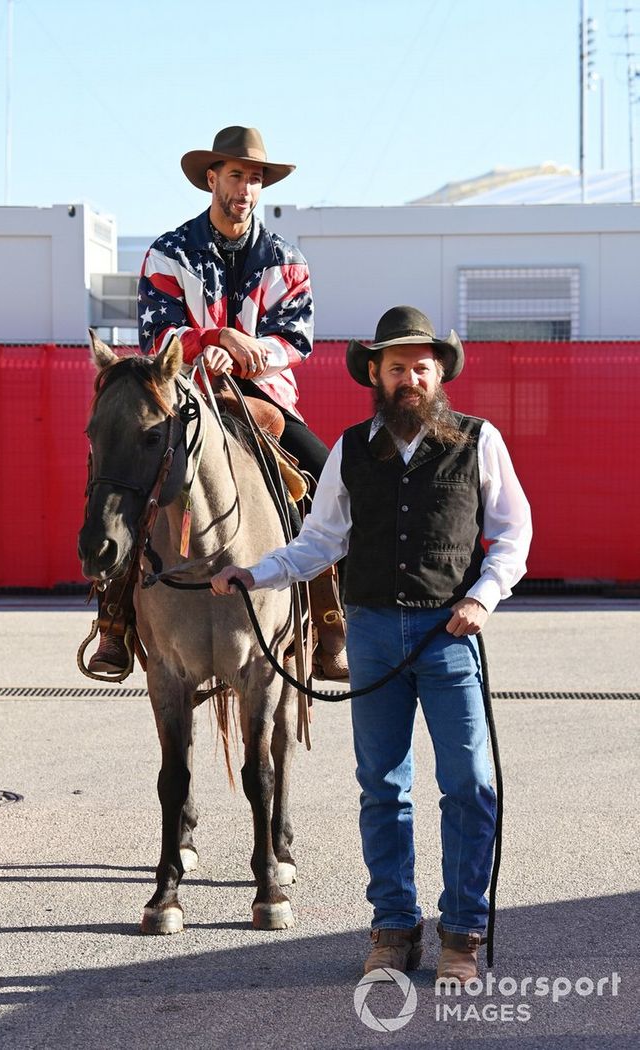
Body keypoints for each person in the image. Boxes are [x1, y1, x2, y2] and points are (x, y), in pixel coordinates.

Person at [210, 305, 532, 983]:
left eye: (420, 365)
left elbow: (513, 534)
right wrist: (254, 571)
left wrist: (483, 597)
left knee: (470, 784)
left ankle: (463, 933)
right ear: (377, 377)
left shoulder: (479, 440)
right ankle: (392, 928)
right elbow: (319, 543)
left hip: (450, 635)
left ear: (438, 371)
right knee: (383, 788)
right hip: (375, 634)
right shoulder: (353, 449)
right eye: (395, 367)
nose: (408, 377)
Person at [87, 126, 347, 679]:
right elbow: (157, 339)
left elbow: (296, 340)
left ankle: (329, 624)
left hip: (261, 395)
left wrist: (249, 352)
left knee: (329, 479)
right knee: (124, 468)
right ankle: (115, 621)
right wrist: (214, 342)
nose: (246, 188)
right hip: (184, 393)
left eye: (255, 178)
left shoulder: (286, 259)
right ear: (211, 179)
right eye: (236, 175)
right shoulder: (169, 252)